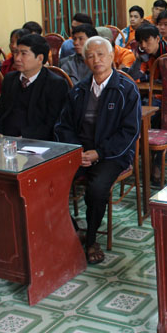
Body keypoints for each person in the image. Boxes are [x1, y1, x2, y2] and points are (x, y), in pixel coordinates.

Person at [54, 36, 141, 265]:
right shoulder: (79, 90)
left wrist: (99, 153)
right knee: (50, 181)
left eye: (101, 54)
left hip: (112, 154)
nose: (96, 60)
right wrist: (77, 152)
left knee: (96, 189)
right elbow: (63, 126)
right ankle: (73, 230)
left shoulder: (126, 89)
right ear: (85, 61)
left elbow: (130, 132)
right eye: (90, 56)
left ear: (112, 56)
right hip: (80, 152)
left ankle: (91, 239)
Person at [0, 34, 69, 140]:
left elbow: (52, 123)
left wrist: (25, 138)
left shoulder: (55, 84)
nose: (17, 58)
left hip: (35, 141)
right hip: (5, 139)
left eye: (24, 54)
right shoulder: (10, 79)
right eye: (16, 52)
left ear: (40, 58)